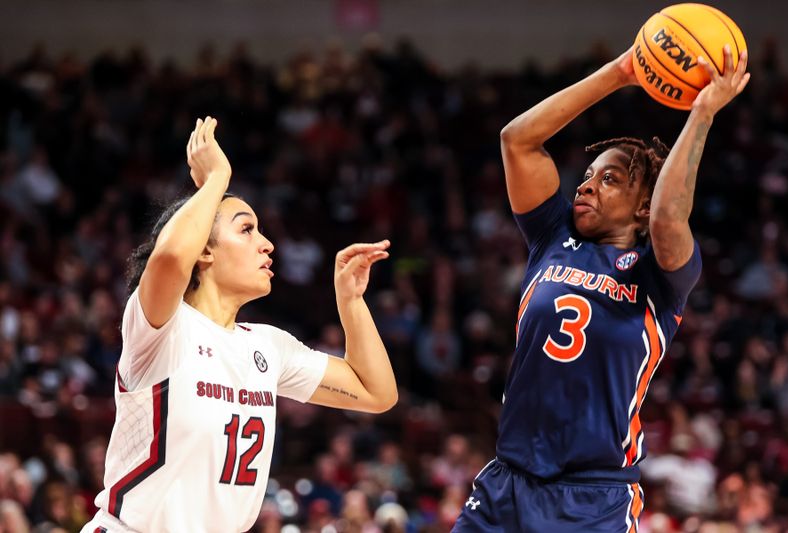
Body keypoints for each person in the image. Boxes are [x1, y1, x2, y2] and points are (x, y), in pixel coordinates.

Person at [453, 45, 749, 532]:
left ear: (640, 207)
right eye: (587, 176)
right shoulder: (552, 236)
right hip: (507, 484)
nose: (586, 186)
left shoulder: (660, 275)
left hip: (594, 497)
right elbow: (517, 141)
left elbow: (669, 215)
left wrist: (701, 115)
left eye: (609, 179)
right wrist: (619, 72)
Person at [81, 117, 398, 533]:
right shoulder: (163, 326)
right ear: (204, 252)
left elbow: (376, 393)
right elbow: (171, 259)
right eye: (246, 229)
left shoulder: (268, 347)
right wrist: (216, 179)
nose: (267, 244)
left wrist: (351, 301)